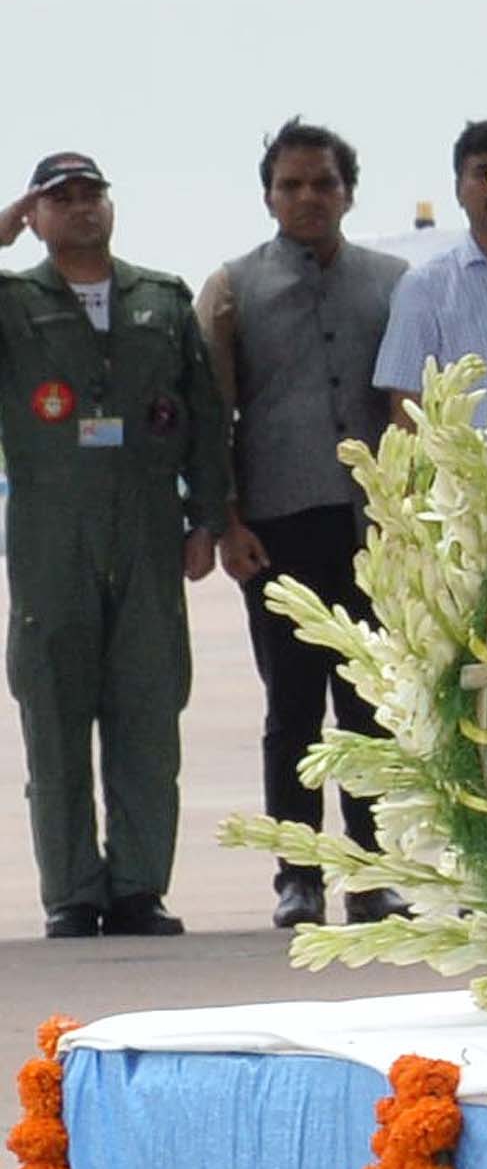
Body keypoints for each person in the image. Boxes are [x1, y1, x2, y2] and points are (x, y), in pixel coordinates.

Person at [193, 119, 402, 928]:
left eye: (323, 183)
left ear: (348, 191)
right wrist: (226, 521)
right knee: (292, 710)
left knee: (370, 707)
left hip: (373, 531)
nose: (308, 197)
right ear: (268, 195)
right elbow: (214, 417)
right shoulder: (233, 288)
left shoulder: (391, 282)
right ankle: (299, 875)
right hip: (277, 530)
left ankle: (372, 871)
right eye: (291, 185)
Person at [0, 150, 212, 937]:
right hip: (51, 529)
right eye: (61, 198)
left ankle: (137, 888)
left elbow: (202, 411)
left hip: (148, 524)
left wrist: (208, 519)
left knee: (148, 711)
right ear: (36, 214)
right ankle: (71, 892)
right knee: (54, 711)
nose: (81, 208)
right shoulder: (14, 302)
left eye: (92, 195)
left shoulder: (159, 299)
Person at [373, 118, 487, 428]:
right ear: (458, 190)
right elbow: (407, 412)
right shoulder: (424, 289)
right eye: (484, 173)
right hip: (472, 472)